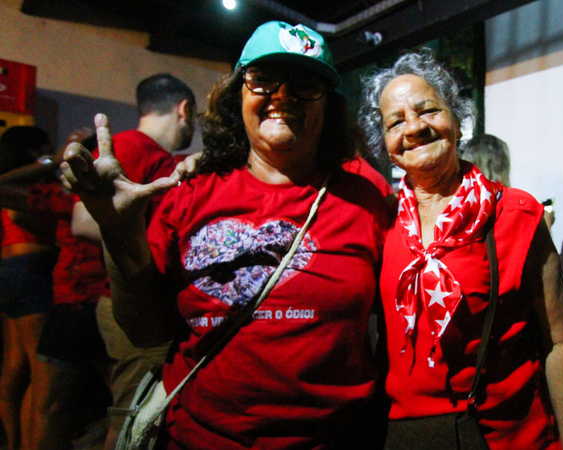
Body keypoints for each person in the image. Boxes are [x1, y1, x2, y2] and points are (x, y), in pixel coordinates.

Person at [61, 21, 390, 448]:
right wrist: (118, 230)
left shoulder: (365, 194)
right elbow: (146, 331)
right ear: (238, 96)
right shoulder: (191, 191)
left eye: (306, 85)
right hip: (197, 439)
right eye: (264, 81)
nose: (283, 96)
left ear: (328, 105)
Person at [358, 51, 563, 449]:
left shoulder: (517, 214)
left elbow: (560, 343)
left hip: (508, 437)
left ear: (457, 116)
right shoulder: (381, 222)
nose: (414, 128)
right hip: (406, 437)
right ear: (385, 142)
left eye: (428, 110)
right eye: (395, 121)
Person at [70, 73, 197, 450]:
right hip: (132, 303)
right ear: (184, 110)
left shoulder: (156, 156)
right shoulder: (128, 147)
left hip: (152, 299)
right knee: (132, 413)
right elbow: (84, 221)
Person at [0, 126, 57, 449]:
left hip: (7, 269)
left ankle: (11, 442)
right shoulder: (29, 184)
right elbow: (21, 219)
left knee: (13, 367)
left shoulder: (10, 177)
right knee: (41, 375)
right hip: (31, 269)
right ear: (36, 151)